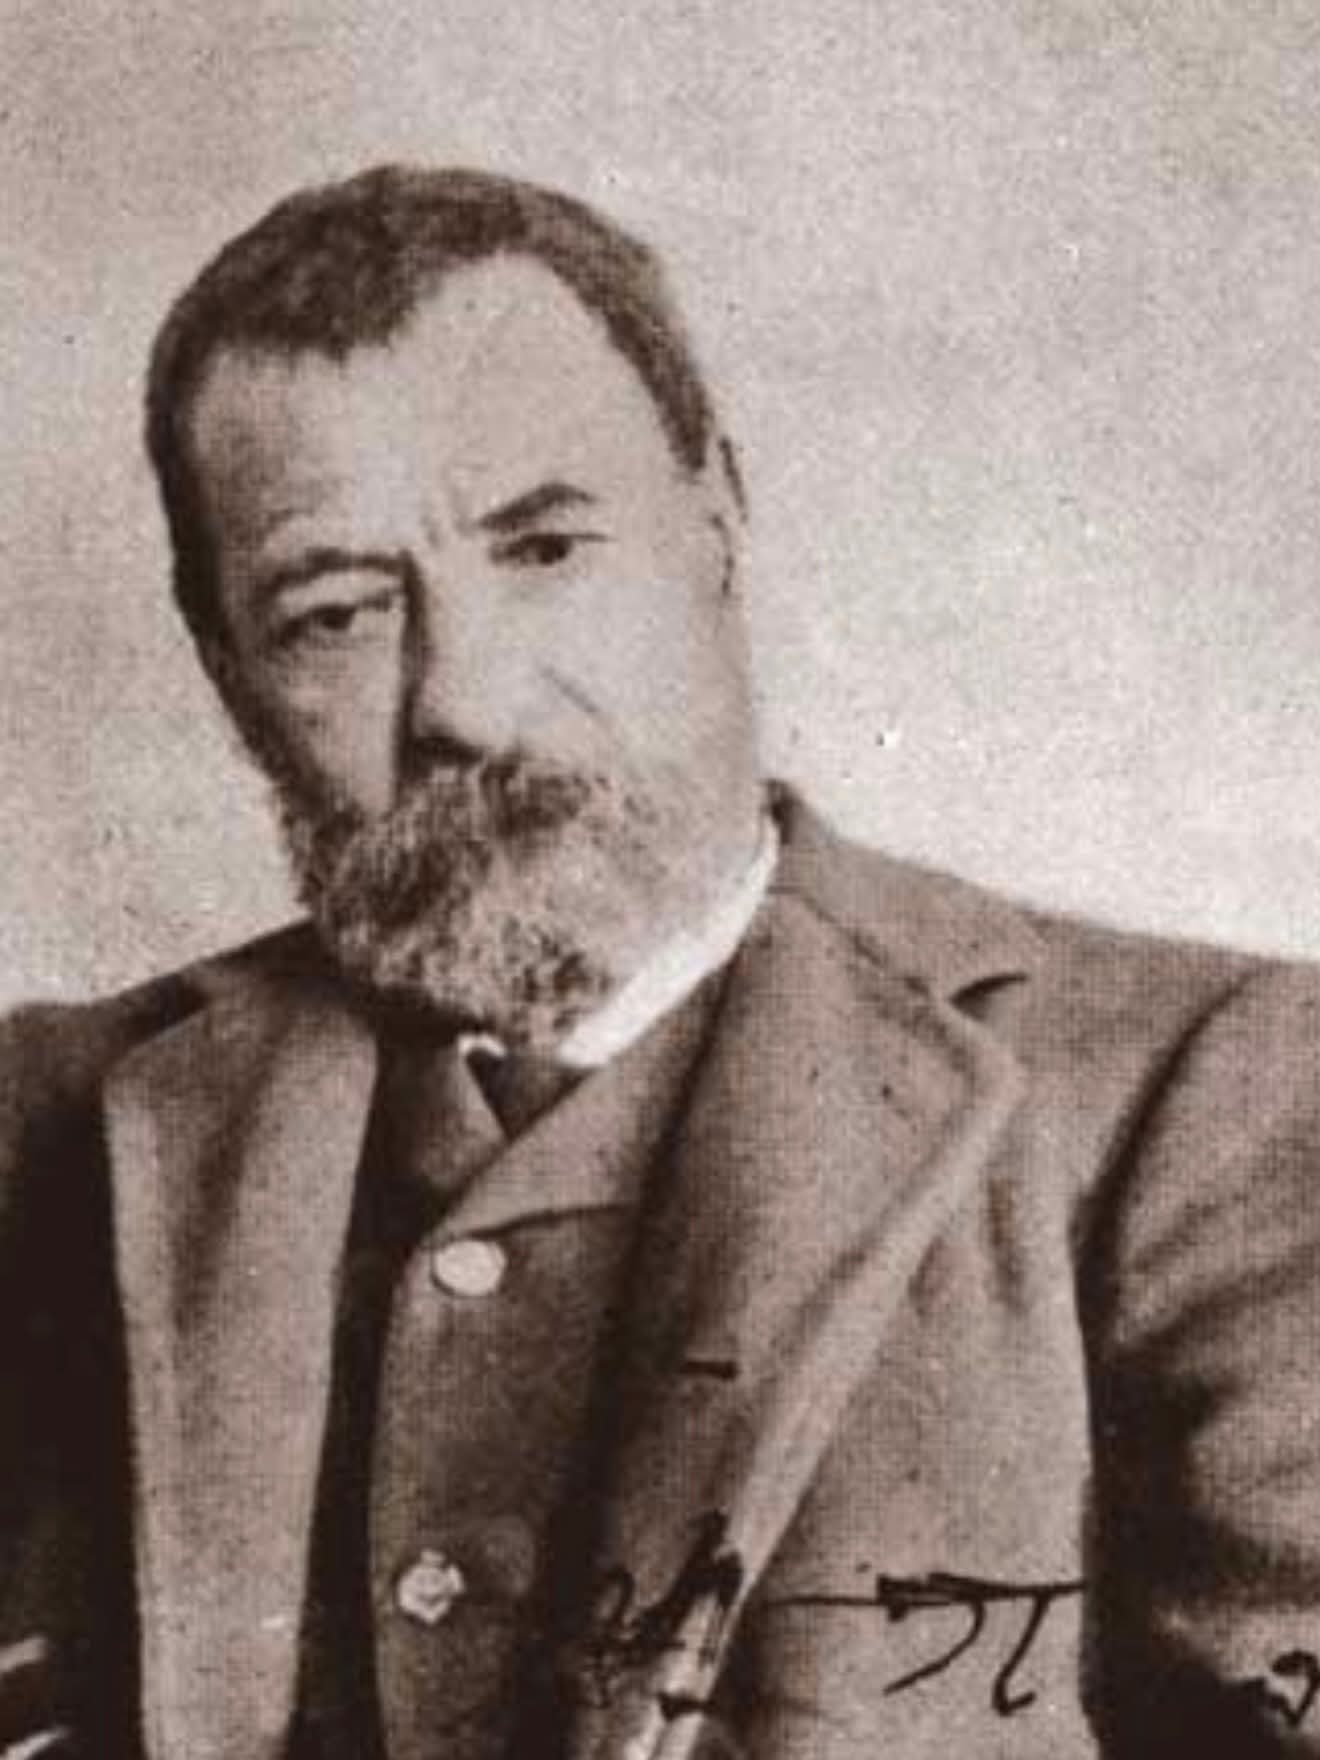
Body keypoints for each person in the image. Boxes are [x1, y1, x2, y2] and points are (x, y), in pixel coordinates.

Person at [2, 164, 1319, 1760]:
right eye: (337, 614)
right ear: (229, 672)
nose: (466, 701)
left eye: (546, 549)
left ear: (717, 526)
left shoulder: (1202, 1099)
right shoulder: (46, 1124)